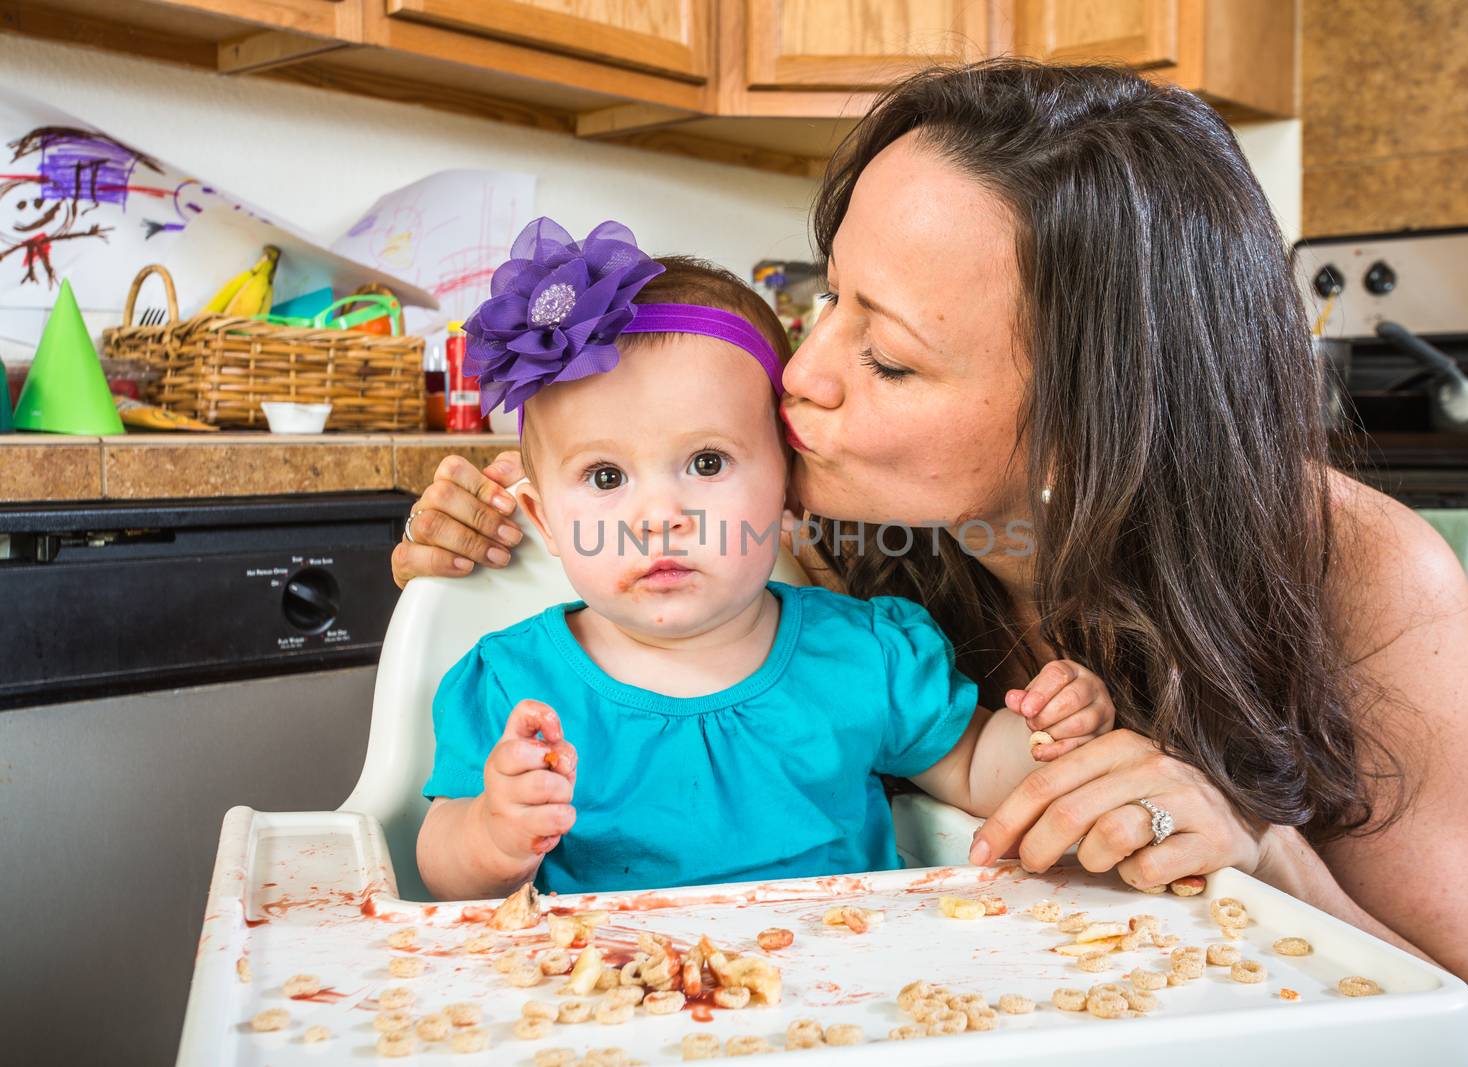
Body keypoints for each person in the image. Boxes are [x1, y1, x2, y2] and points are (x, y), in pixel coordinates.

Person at [395, 64, 1468, 1063]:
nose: (801, 375)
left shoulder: (1369, 577)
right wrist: (495, 536)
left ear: (1088, 425)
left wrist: (1260, 849)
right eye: (824, 299)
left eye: (886, 357)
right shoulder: (821, 526)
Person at [415, 221, 1115, 901]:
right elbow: (438, 866)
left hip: (841, 996)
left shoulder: (865, 654)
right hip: (607, 997)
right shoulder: (514, 683)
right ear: (545, 519)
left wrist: (1049, 737)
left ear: (788, 482)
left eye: (707, 461)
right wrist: (490, 835)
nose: (659, 516)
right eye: (605, 477)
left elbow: (975, 768)